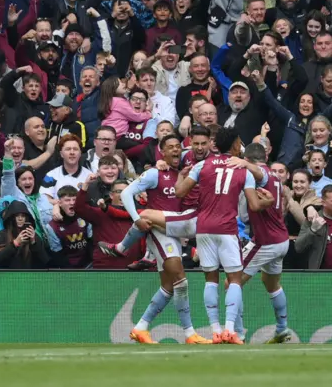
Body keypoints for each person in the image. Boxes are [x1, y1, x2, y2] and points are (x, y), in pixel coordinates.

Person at [175, 127, 274, 344]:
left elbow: (180, 192)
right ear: (235, 144)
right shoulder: (243, 171)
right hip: (227, 229)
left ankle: (215, 331)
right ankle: (230, 330)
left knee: (210, 279)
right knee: (234, 280)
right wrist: (269, 202)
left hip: (204, 228)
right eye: (239, 142)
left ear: (215, 144)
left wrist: (181, 176)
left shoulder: (202, 166)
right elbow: (255, 205)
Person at [114, 134, 211, 345]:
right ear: (162, 152)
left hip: (175, 232)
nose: (176, 150)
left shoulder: (185, 168)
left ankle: (140, 328)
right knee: (181, 280)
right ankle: (189, 333)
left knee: (168, 287)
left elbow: (197, 152)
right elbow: (126, 194)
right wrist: (137, 219)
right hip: (159, 232)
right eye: (170, 148)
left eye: (178, 146)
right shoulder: (155, 173)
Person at [234, 143, 292, 344]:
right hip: (281, 240)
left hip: (265, 242)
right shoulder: (276, 178)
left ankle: (237, 333)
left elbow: (259, 173)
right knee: (271, 284)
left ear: (249, 160)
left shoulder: (264, 174)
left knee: (232, 282)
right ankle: (282, 329)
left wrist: (242, 163)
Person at [0, 200, 50, 269]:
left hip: (29, 276)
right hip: (7, 276)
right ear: (12, 218)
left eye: (23, 216)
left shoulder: (33, 236)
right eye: (17, 216)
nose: (20, 219)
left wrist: (34, 243)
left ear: (26, 218)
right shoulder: (1, 235)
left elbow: (45, 260)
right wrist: (15, 244)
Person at [46, 185, 92, 269]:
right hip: (68, 267)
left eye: (74, 199)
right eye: (67, 200)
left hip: (88, 264)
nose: (72, 203)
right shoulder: (52, 226)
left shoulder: (85, 217)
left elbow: (91, 242)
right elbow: (58, 254)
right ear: (59, 203)